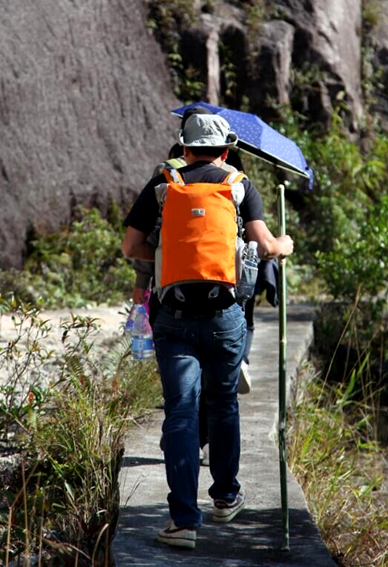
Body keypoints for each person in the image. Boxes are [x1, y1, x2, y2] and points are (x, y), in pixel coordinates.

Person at [122, 113, 293, 550]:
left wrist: (169, 253)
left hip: (174, 316)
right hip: (224, 316)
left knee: (180, 412)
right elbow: (264, 245)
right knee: (223, 402)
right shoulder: (239, 185)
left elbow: (131, 246)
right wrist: (284, 245)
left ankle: (183, 522)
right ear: (225, 150)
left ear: (185, 147)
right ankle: (225, 497)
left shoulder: (163, 184)